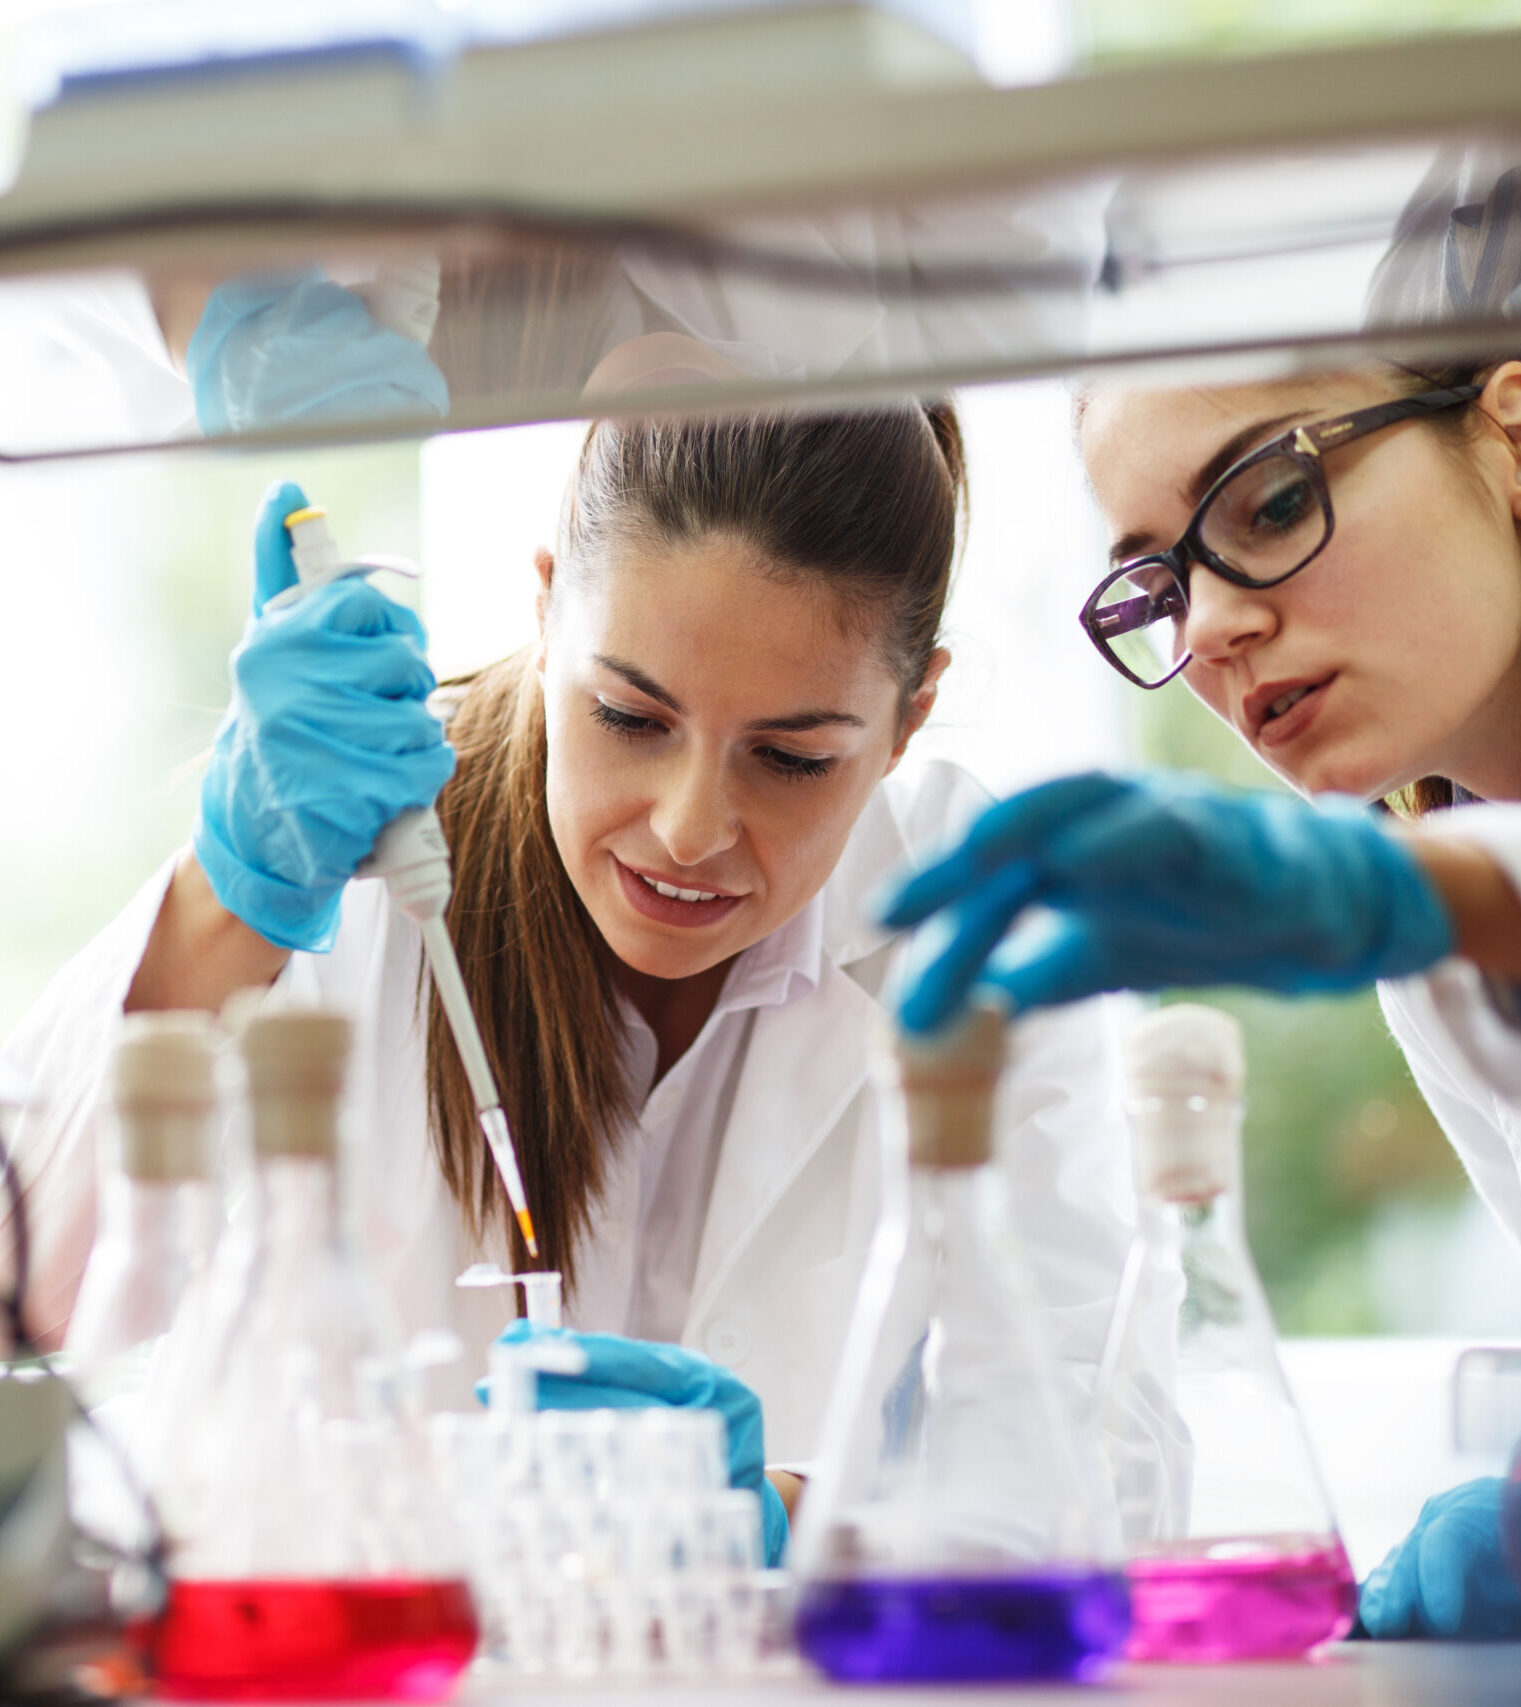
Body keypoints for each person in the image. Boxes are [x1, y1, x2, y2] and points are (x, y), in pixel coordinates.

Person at [877, 159, 1521, 1630]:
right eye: (1155, 585)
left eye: (1272, 499)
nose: (1215, 622)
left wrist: (1456, 902)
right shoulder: (1441, 931)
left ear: (1519, 440)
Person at [3, 402, 1183, 1565]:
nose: (687, 828)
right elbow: (31, 1303)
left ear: (907, 716)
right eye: (629, 716)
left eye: (791, 758)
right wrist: (227, 895)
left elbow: (1108, 1473)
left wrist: (781, 1519)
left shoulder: (983, 929)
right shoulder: (359, 856)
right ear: (546, 600)